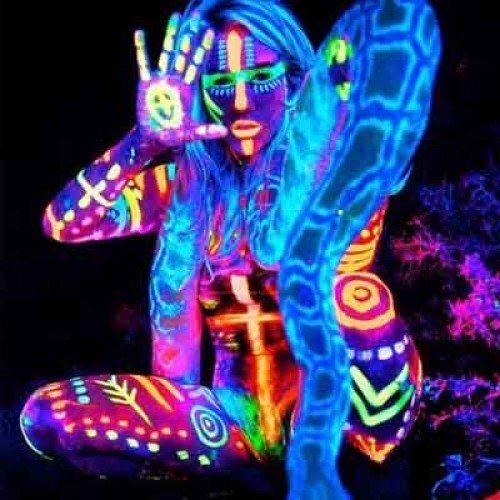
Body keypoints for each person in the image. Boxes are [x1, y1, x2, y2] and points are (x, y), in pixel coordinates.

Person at [20, 0, 441, 496]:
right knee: (47, 416)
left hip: (338, 413)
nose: (240, 101)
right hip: (233, 423)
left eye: (260, 77)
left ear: (293, 82)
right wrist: (144, 142)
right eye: (220, 83)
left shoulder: (332, 165)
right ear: (199, 93)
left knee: (357, 300)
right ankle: (238, 479)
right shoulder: (183, 188)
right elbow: (64, 222)